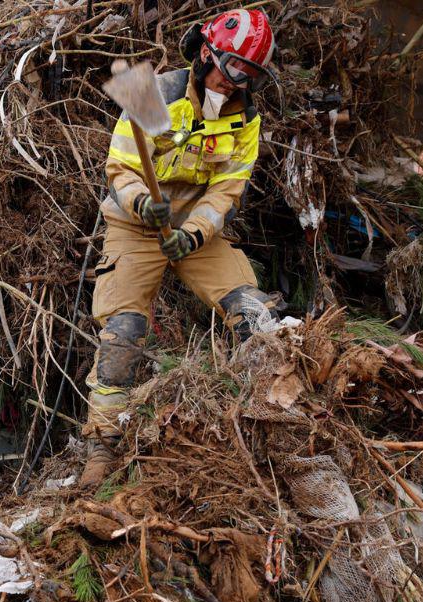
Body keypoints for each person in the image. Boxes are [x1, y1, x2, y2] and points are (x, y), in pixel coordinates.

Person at [82, 8, 280, 487]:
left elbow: (226, 191)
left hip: (195, 231)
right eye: (234, 68)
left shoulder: (245, 119)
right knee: (123, 334)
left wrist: (192, 233)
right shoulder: (156, 94)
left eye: (250, 75)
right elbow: (121, 169)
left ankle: (268, 429)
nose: (237, 82)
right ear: (207, 51)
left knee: (254, 314)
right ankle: (100, 453)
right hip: (136, 226)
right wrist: (139, 203)